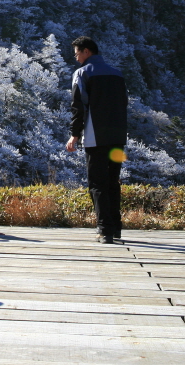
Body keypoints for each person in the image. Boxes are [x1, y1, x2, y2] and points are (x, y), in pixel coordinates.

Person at [64, 36, 128, 244]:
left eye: (76, 53)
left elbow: (78, 106)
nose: (76, 58)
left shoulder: (82, 73)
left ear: (86, 51)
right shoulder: (118, 74)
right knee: (113, 182)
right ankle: (116, 228)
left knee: (97, 183)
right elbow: (124, 104)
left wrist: (75, 134)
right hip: (118, 137)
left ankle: (105, 230)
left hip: (95, 137)